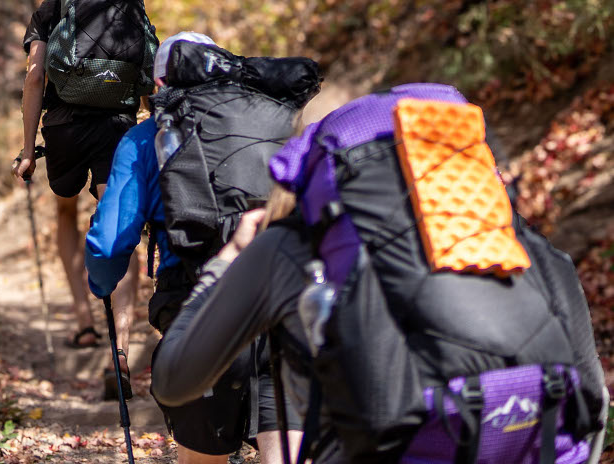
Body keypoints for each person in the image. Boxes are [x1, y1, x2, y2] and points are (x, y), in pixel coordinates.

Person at [151, 85, 609, 464]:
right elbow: (593, 402)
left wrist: (229, 259)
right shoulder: (511, 238)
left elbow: (175, 380)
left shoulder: (292, 245)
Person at [85, 32, 305, 464]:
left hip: (199, 304)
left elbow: (110, 242)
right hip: (282, 302)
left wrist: (101, 283)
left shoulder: (144, 139)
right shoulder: (271, 128)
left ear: (158, 88)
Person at [13, 0, 142, 398]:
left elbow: (35, 78)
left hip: (64, 129)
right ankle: (119, 353)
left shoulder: (51, 10)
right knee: (119, 227)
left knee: (66, 212)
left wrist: (28, 148)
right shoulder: (127, 6)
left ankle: (84, 324)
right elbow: (146, 75)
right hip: (117, 127)